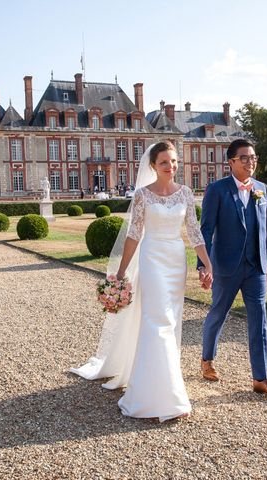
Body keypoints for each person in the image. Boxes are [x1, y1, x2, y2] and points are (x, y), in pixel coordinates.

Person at [71, 141, 213, 421]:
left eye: (173, 162)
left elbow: (194, 233)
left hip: (175, 261)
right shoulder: (142, 195)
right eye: (164, 163)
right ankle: (163, 397)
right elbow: (134, 235)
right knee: (157, 321)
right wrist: (121, 272)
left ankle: (161, 386)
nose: (170, 167)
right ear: (152, 166)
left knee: (169, 322)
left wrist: (207, 263)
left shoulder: (185, 193)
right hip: (151, 260)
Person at [197, 138, 267, 400]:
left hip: (256, 266)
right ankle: (207, 359)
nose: (251, 163)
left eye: (254, 158)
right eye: (245, 158)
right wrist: (204, 265)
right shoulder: (217, 190)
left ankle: (261, 378)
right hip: (225, 265)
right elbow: (205, 229)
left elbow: (265, 230)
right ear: (231, 162)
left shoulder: (262, 189)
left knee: (259, 321)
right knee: (218, 313)